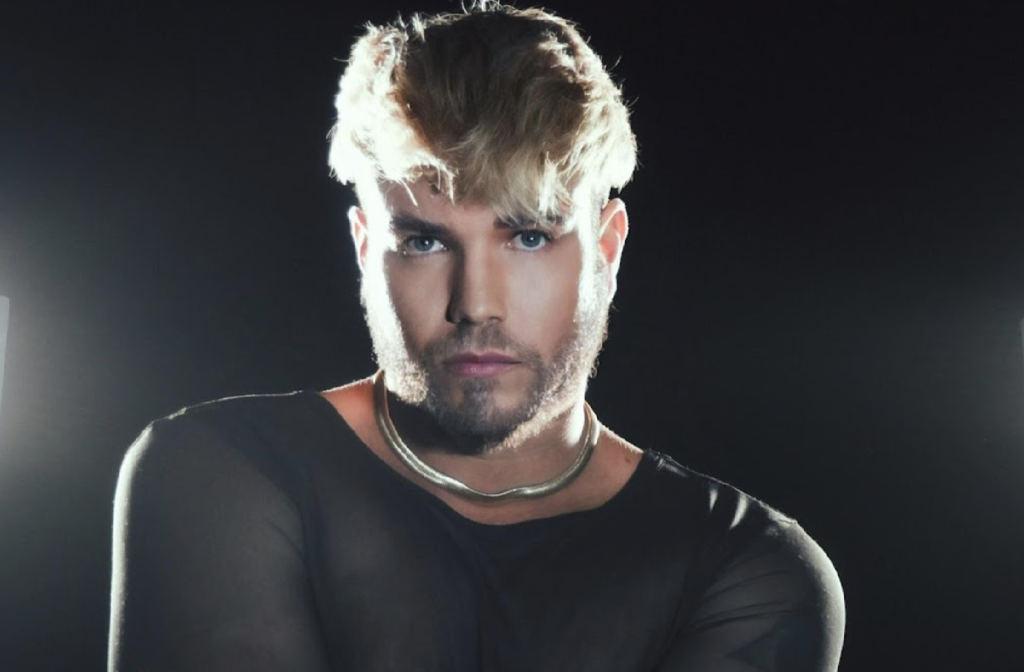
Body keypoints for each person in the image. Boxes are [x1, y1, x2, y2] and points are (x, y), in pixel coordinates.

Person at [108, 2, 845, 670]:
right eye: (425, 242)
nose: (475, 305)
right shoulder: (228, 471)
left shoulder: (745, 566)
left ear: (607, 249)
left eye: (528, 236)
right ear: (366, 249)